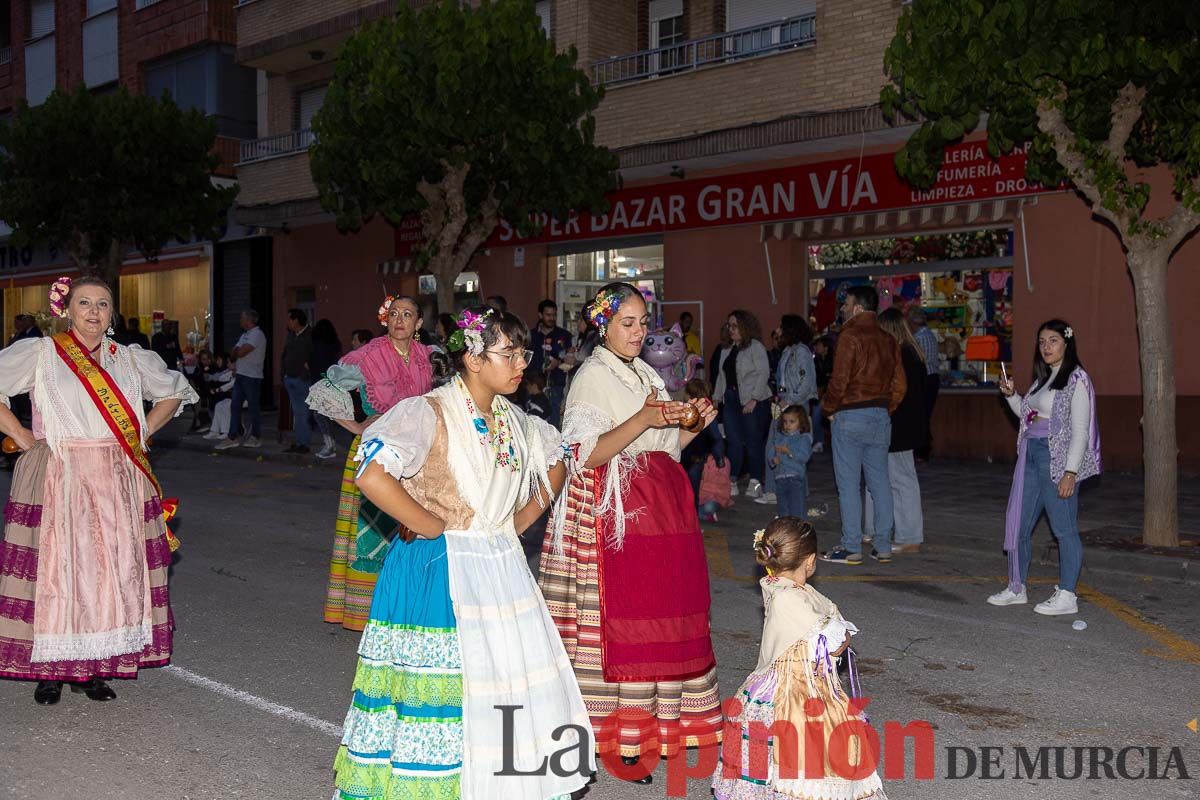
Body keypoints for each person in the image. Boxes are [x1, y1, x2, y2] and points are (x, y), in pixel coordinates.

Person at [332, 307, 593, 800]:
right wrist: (428, 523)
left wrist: (520, 520)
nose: (520, 363)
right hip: (440, 572)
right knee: (448, 694)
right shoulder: (427, 411)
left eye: (523, 353)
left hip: (500, 566)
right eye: (508, 353)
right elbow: (371, 471)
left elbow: (558, 459)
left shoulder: (517, 419)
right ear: (473, 358)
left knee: (502, 687)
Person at [539, 282, 723, 781]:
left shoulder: (643, 372)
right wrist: (643, 418)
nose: (640, 332)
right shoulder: (593, 376)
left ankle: (647, 732)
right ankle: (613, 739)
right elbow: (583, 454)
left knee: (659, 621)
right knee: (619, 629)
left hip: (659, 510)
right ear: (603, 324)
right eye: (628, 322)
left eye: (644, 322)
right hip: (613, 516)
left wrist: (692, 427)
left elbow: (665, 448)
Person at [0, 275, 197, 705]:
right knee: (60, 571)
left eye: (102, 305)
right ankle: (51, 671)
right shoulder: (44, 353)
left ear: (111, 313)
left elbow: (174, 393)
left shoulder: (128, 359)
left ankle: (91, 669)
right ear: (67, 310)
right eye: (84, 303)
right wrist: (23, 436)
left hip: (115, 476)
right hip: (62, 474)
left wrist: (140, 436)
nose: (93, 312)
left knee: (106, 574)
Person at [711, 517, 885, 800]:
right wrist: (845, 634)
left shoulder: (777, 584)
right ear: (811, 560)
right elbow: (836, 643)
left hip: (784, 680)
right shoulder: (791, 598)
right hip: (796, 687)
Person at [306, 295, 434, 632]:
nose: (400, 320)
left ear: (418, 323)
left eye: (407, 314)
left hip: (416, 453)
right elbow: (324, 389)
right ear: (386, 320)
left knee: (412, 530)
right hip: (376, 450)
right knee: (371, 536)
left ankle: (403, 609)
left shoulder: (427, 358)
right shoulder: (369, 356)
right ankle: (367, 615)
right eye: (394, 314)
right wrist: (357, 426)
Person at [989, 319, 1100, 615]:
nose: (1046, 347)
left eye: (1052, 340)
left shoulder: (1077, 379)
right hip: (1031, 455)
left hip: (1057, 459)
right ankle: (1017, 587)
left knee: (1064, 529)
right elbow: (1028, 417)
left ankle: (1067, 595)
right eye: (1041, 341)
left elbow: (1080, 430)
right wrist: (1012, 395)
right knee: (1020, 525)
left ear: (1067, 343)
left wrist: (1070, 472)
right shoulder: (1043, 379)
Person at [820, 286, 906, 566]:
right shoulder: (888, 338)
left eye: (846, 304)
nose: (843, 308)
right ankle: (883, 546)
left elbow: (840, 379)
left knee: (848, 485)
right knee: (879, 483)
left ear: (857, 307)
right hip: (880, 415)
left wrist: (829, 408)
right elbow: (900, 385)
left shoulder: (850, 335)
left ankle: (852, 546)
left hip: (850, 415)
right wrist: (884, 407)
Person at [864, 308, 928, 554]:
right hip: (902, 426)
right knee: (886, 480)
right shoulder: (910, 353)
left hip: (898, 427)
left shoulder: (901, 355)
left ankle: (909, 536)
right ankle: (881, 530)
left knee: (900, 481)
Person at [757, 314, 818, 507]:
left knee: (790, 446)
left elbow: (806, 381)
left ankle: (774, 490)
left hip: (795, 406)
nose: (778, 330)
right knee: (778, 445)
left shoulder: (801, 352)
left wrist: (789, 400)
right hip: (784, 404)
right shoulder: (787, 351)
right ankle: (787, 489)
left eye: (782, 326)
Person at [713, 309, 772, 499]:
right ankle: (732, 479)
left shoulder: (755, 347)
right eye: (729, 325)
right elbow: (721, 377)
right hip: (730, 400)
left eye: (735, 326)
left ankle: (755, 481)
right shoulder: (725, 349)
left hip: (753, 400)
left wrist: (754, 399)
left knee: (754, 442)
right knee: (733, 442)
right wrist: (716, 398)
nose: (731, 329)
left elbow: (764, 373)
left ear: (745, 327)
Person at [215, 310, 267, 450]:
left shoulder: (257, 334)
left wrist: (238, 352)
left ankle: (255, 436)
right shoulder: (245, 335)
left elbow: (241, 351)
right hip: (241, 375)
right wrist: (238, 352)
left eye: (242, 318)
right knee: (235, 406)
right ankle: (233, 437)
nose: (240, 320)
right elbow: (233, 352)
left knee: (253, 408)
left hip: (252, 376)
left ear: (249, 320)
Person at [681, 378, 726, 521]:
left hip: (691, 459)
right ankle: (690, 519)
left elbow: (716, 437)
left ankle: (690, 520)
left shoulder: (691, 412)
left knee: (688, 492)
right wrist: (719, 457)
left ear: (689, 395)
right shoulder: (705, 412)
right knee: (691, 492)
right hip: (696, 458)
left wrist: (719, 457)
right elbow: (717, 437)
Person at [767, 405, 814, 519]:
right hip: (780, 479)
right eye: (785, 422)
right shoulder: (779, 438)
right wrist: (773, 460)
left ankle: (800, 531)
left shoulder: (803, 438)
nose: (788, 425)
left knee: (797, 508)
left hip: (795, 479)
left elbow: (804, 456)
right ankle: (786, 531)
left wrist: (789, 452)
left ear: (801, 422)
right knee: (783, 509)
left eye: (792, 421)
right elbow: (771, 453)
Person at [529, 299, 572, 422]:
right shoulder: (531, 336)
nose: (551, 318)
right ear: (540, 315)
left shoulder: (565, 335)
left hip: (556, 386)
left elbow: (572, 362)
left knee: (554, 422)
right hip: (534, 387)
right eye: (548, 315)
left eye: (554, 315)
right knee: (534, 422)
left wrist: (558, 363)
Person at [907, 306, 940, 461]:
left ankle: (922, 450)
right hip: (930, 378)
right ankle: (923, 448)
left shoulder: (920, 338)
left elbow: (919, 361)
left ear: (912, 322)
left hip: (926, 378)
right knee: (923, 414)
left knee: (921, 415)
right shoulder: (928, 335)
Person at [281, 308, 316, 454]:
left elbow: (314, 355)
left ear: (296, 320)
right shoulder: (291, 335)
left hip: (302, 379)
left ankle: (304, 443)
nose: (288, 322)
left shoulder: (310, 335)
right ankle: (299, 441)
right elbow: (285, 354)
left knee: (303, 412)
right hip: (290, 377)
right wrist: (283, 373)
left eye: (290, 319)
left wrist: (305, 372)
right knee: (297, 413)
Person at [310, 318, 343, 459]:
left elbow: (314, 364)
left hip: (320, 382)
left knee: (320, 415)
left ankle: (329, 445)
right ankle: (330, 443)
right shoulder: (334, 345)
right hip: (330, 382)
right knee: (326, 415)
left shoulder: (318, 345)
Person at [810, 335, 834, 453]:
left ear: (826, 347)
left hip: (829, 395)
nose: (816, 347)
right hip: (818, 394)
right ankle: (819, 442)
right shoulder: (815, 361)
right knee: (815, 416)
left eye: (819, 345)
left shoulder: (832, 361)